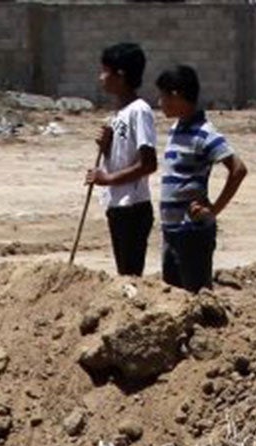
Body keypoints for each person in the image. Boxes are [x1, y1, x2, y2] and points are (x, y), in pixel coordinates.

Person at [153, 65, 247, 294]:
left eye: (162, 96)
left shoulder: (205, 133)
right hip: (171, 231)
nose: (159, 102)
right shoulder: (177, 129)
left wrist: (213, 210)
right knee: (173, 297)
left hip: (192, 233)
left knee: (195, 297)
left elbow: (238, 169)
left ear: (175, 95)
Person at [86, 42, 156, 278]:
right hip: (117, 205)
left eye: (105, 71)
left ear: (121, 75)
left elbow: (148, 163)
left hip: (133, 206)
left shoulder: (140, 110)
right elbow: (121, 158)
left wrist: (107, 179)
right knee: (124, 272)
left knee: (130, 275)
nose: (101, 77)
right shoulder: (118, 114)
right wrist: (106, 148)